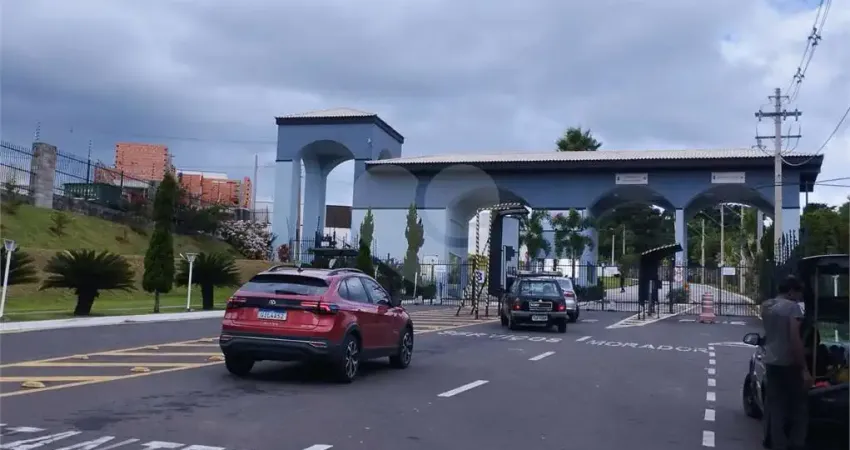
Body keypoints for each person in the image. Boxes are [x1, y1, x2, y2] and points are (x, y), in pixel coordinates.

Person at [761, 275, 813, 450]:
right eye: (799, 293)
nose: (800, 297)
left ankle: (778, 444)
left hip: (771, 361)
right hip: (789, 364)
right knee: (799, 407)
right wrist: (804, 368)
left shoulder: (766, 306)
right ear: (791, 291)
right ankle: (797, 444)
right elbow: (794, 339)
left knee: (776, 407)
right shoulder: (792, 308)